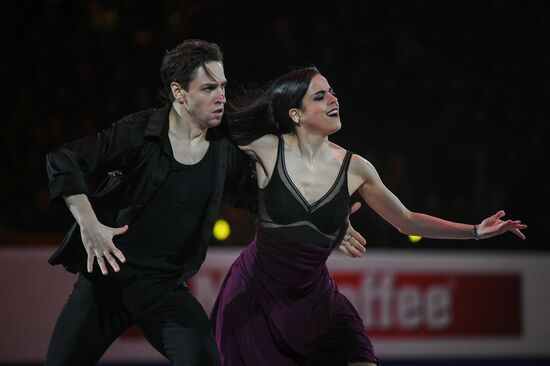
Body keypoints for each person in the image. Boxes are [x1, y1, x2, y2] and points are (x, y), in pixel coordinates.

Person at [44, 41, 365, 366]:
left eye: (223, 86)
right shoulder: (140, 131)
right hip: (105, 286)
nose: (222, 96)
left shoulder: (224, 146)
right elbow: (65, 160)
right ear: (179, 92)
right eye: (209, 88)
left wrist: (327, 218)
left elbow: (264, 199)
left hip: (164, 291)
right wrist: (88, 223)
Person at [211, 67, 527, 366]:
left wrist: (475, 231)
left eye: (332, 92)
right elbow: (204, 147)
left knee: (360, 355)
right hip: (255, 294)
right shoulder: (267, 150)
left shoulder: (356, 168)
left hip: (315, 301)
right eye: (319, 96)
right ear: (296, 114)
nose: (333, 99)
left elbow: (407, 221)